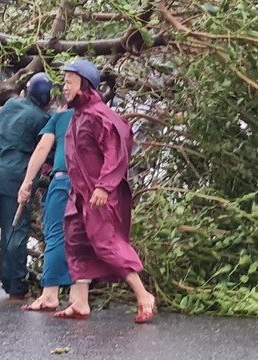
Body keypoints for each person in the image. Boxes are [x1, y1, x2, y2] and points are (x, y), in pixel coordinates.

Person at [55, 59, 156, 324]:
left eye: (69, 82)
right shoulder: (78, 115)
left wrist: (104, 185)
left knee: (106, 243)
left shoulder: (100, 115)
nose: (64, 87)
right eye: (64, 82)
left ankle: (144, 295)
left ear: (84, 85)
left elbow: (116, 151)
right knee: (76, 242)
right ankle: (80, 302)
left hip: (99, 194)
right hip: (79, 195)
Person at [0, 72, 53, 300]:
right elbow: (48, 150)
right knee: (14, 233)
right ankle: (15, 287)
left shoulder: (9, 105)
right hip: (15, 181)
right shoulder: (43, 120)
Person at [16, 98, 74, 311]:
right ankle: (78, 298)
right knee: (78, 237)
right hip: (87, 184)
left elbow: (42, 149)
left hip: (63, 180)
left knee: (55, 235)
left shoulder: (60, 118)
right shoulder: (97, 116)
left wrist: (27, 181)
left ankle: (50, 294)